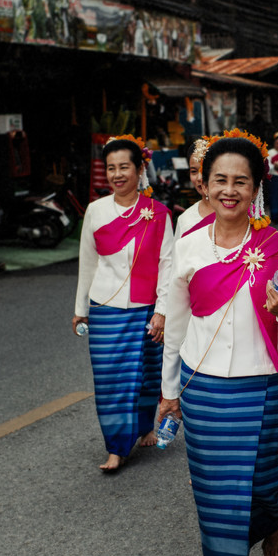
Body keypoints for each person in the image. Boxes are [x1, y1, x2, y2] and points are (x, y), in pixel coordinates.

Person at [159, 129, 278, 556]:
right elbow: (176, 325)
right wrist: (170, 393)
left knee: (262, 482)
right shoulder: (187, 247)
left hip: (260, 381)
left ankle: (273, 518)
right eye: (219, 180)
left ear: (255, 188)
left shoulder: (277, 247)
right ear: (203, 185)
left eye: (240, 182)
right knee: (214, 487)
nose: (229, 190)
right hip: (203, 388)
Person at [73, 134, 174, 472]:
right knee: (109, 379)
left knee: (147, 374)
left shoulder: (158, 214)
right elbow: (87, 262)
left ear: (139, 169)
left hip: (146, 308)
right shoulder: (96, 211)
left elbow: (167, 264)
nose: (117, 175)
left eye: (124, 167)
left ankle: (145, 428)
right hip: (105, 309)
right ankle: (116, 447)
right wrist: (80, 309)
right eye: (111, 168)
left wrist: (162, 310)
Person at [174, 136, 214, 239]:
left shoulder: (241, 214)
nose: (199, 178)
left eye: (205, 170)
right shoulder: (185, 219)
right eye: (194, 171)